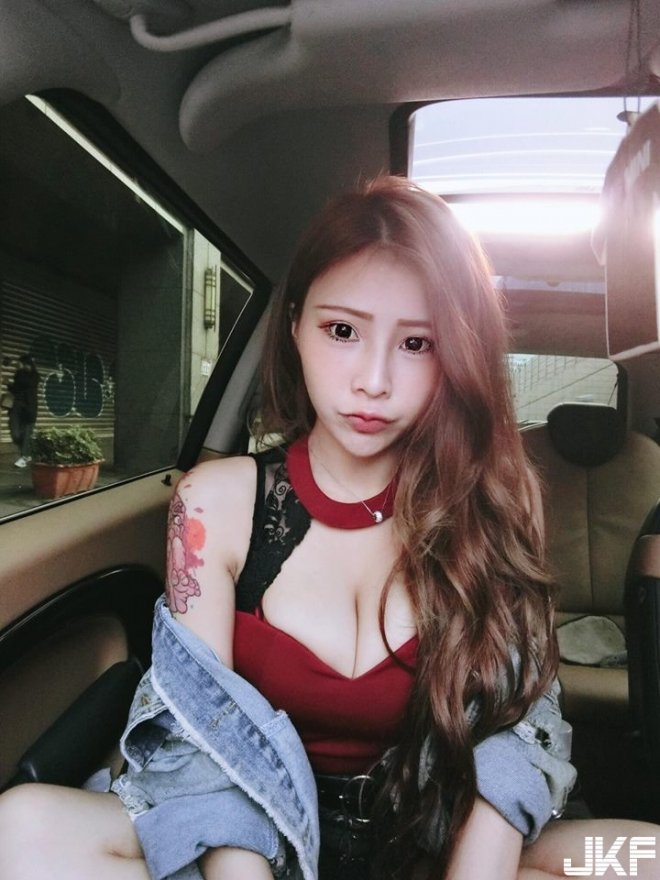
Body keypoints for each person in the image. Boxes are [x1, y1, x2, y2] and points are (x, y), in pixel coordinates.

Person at [0, 176, 658, 880]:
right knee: (23, 827)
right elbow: (200, 741)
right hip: (258, 843)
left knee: (640, 857)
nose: (373, 380)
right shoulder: (215, 503)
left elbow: (519, 720)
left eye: (418, 343)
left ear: (456, 356)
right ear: (294, 326)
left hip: (433, 837)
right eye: (343, 331)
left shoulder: (494, 503)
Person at [7, 353, 40, 468]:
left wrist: (21, 371)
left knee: (26, 433)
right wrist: (9, 385)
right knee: (15, 433)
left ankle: (24, 456)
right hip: (16, 407)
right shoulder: (19, 374)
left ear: (27, 363)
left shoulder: (34, 376)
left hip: (29, 408)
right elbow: (17, 389)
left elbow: (28, 384)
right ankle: (27, 451)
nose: (18, 364)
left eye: (20, 362)